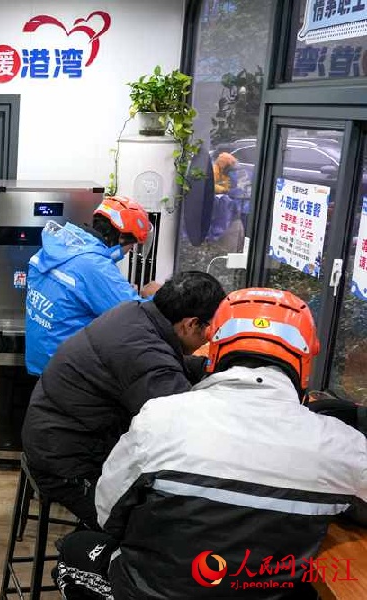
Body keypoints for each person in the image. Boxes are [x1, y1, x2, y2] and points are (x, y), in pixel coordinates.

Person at [52, 287, 367, 599]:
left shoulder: (160, 417)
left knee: (73, 550)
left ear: (215, 348)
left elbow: (107, 512)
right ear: (305, 360)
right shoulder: (344, 445)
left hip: (151, 591)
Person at [21, 270, 226, 529]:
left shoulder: (135, 313)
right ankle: (87, 548)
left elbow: (165, 365)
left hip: (59, 437)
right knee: (151, 525)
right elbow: (183, 421)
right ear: (191, 324)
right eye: (210, 330)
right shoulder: (144, 350)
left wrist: (208, 367)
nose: (210, 338)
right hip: (67, 463)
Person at [25, 196, 156, 376]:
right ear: (121, 238)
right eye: (132, 244)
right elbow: (138, 319)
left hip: (43, 363)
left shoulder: (60, 244)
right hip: (69, 373)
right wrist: (155, 295)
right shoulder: (95, 265)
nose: (130, 251)